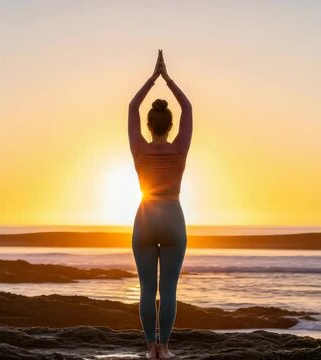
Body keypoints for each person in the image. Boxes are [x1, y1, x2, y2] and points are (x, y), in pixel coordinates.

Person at [128, 49, 192, 359]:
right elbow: (188, 107)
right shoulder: (179, 149)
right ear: (169, 125)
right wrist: (168, 79)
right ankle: (163, 349)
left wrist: (152, 78)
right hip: (172, 215)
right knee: (168, 290)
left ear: (150, 126)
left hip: (145, 215)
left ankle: (148, 349)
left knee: (145, 289)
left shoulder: (139, 148)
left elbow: (132, 106)